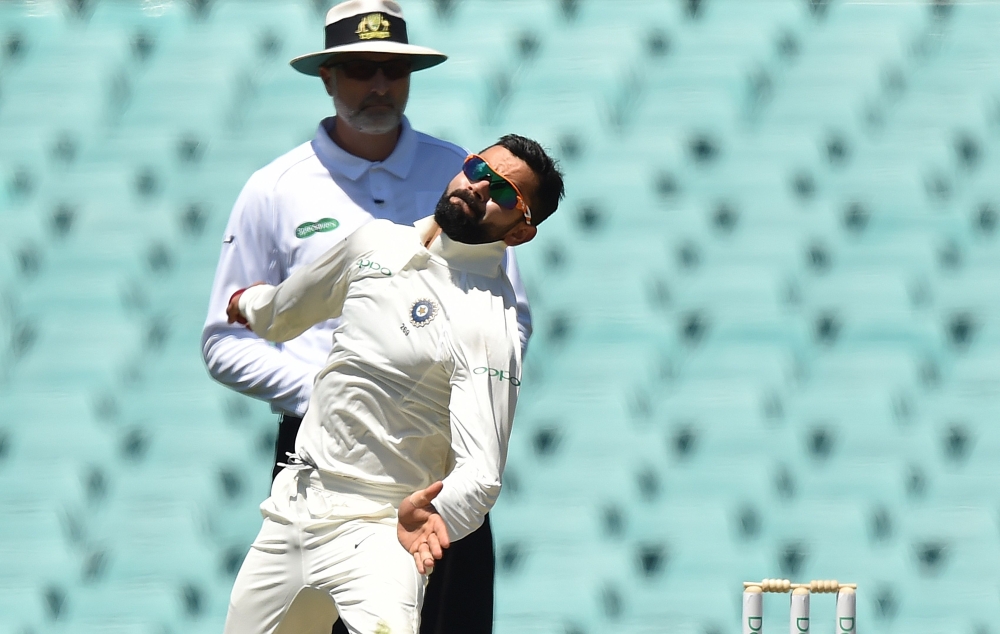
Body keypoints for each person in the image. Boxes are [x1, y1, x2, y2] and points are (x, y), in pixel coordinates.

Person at [200, 2, 532, 631]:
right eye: (359, 69)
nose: (378, 85)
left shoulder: (462, 171)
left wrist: (425, 396)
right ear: (326, 76)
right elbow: (225, 338)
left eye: (392, 70)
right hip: (316, 448)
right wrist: (334, 386)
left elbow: (510, 315)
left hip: (430, 457)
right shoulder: (276, 187)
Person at [221, 135, 565, 634]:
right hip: (295, 504)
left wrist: (434, 517)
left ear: (519, 233)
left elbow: (482, 472)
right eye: (476, 168)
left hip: (382, 530)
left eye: (506, 194)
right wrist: (252, 306)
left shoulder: (489, 322)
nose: (478, 188)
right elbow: (288, 310)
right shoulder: (375, 241)